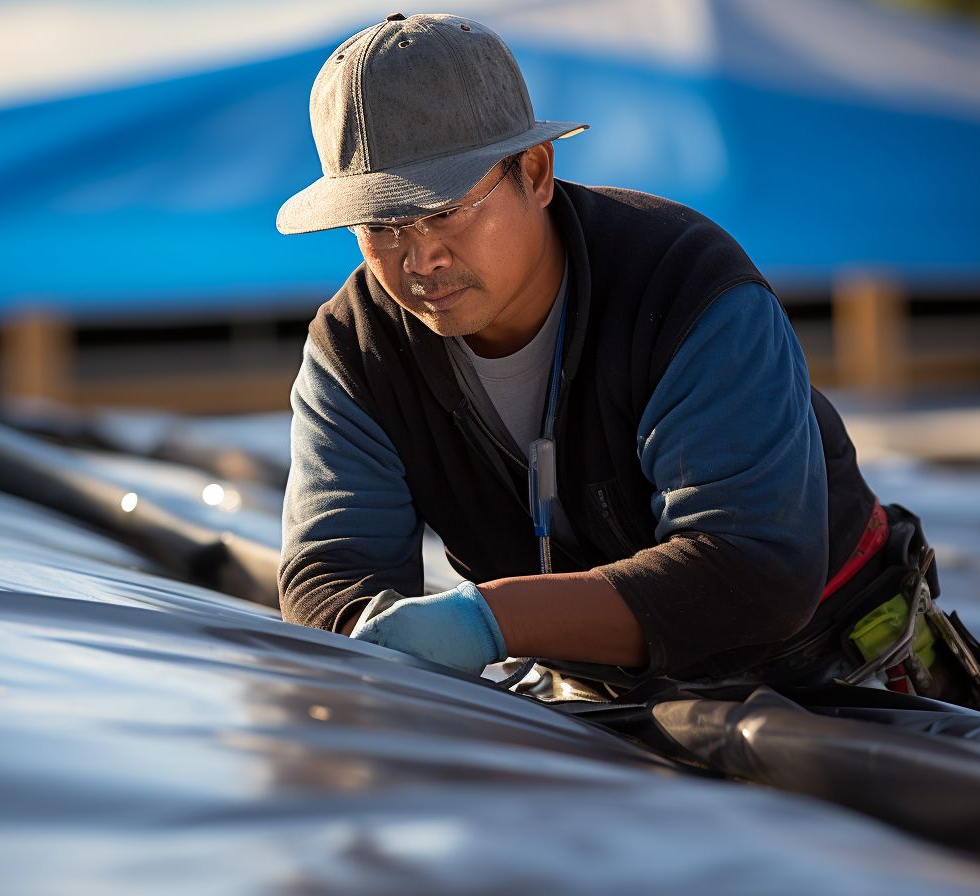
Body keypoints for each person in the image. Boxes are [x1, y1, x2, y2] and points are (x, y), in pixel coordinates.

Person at [272, 12, 931, 687]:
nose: (421, 258)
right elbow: (330, 575)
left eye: (445, 208)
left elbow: (754, 569)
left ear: (536, 172)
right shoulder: (355, 352)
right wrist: (371, 634)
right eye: (381, 224)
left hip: (834, 676)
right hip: (596, 700)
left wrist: (492, 622)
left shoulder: (682, 288)